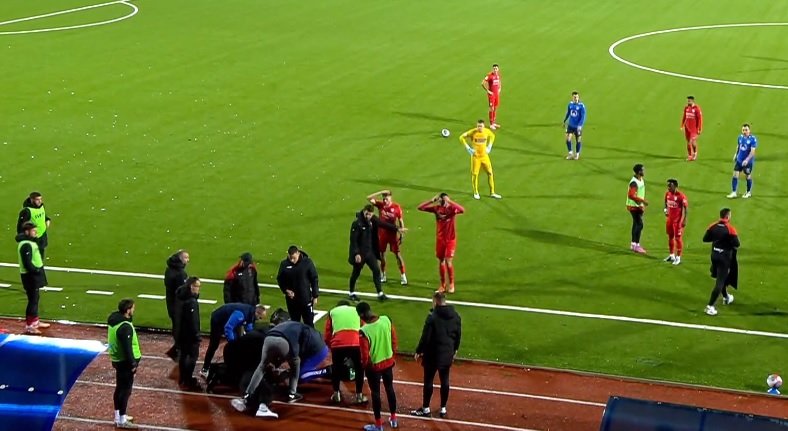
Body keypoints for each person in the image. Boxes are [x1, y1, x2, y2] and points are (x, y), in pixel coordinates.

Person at [232, 320, 329, 417]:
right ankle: (292, 394)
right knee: (296, 368)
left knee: (261, 367)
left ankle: (246, 396)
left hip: (269, 339)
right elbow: (295, 348)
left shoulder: (283, 326)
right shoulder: (303, 330)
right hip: (288, 342)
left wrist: (278, 363)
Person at [411, 291, 462, 419]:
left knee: (428, 380)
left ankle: (426, 408)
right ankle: (443, 408)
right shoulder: (456, 316)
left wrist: (418, 351)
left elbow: (425, 337)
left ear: (435, 302)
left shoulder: (432, 317)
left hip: (432, 355)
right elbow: (458, 335)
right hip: (447, 353)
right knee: (445, 380)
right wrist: (455, 349)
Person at [357, 302, 398, 431]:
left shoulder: (364, 331)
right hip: (388, 363)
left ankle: (379, 425)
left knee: (375, 393)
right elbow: (394, 341)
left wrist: (364, 367)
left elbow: (364, 355)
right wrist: (392, 356)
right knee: (390, 389)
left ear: (362, 314)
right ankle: (394, 419)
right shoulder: (386, 320)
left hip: (374, 367)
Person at [200, 303, 267, 377]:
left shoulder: (251, 313)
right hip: (218, 320)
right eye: (260, 317)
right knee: (214, 345)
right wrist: (232, 344)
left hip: (228, 321)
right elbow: (228, 328)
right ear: (257, 313)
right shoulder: (240, 314)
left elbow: (249, 328)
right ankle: (205, 369)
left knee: (237, 340)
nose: (259, 319)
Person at [417, 193, 465, 293]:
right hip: (440, 239)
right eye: (440, 200)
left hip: (450, 239)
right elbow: (420, 208)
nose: (440, 201)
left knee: (448, 261)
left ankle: (451, 284)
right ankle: (442, 285)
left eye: (442, 200)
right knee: (441, 260)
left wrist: (450, 201)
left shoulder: (452, 209)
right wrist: (431, 201)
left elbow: (462, 210)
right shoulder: (436, 209)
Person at [324, 300, 367, 404]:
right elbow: (364, 328)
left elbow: (327, 333)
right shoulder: (356, 311)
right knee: (359, 368)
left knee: (336, 368)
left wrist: (331, 346)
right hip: (355, 342)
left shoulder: (332, 312)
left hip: (338, 343)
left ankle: (336, 394)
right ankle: (359, 396)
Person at [107, 299, 141, 429]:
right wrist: (133, 364)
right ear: (127, 310)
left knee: (119, 388)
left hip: (117, 360)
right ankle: (122, 420)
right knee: (125, 391)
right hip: (125, 363)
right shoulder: (125, 327)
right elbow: (127, 348)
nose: (134, 310)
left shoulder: (114, 321)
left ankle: (118, 416)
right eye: (133, 308)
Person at [702, 208, 740, 316]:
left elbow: (705, 239)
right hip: (724, 258)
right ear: (727, 216)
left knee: (720, 278)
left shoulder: (713, 226)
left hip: (714, 255)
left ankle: (726, 297)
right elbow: (737, 244)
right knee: (720, 282)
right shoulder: (730, 229)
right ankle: (710, 306)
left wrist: (716, 239)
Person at [367, 190, 408, 285]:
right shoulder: (380, 205)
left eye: (386, 199)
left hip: (392, 234)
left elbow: (400, 220)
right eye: (384, 199)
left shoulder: (396, 207)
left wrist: (401, 234)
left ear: (390, 198)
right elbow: (369, 198)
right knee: (382, 255)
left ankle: (403, 275)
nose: (385, 201)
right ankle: (383, 275)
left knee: (397, 255)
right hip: (382, 234)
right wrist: (380, 192)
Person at [16, 222, 49, 335]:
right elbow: (27, 263)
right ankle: (30, 326)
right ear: (27, 232)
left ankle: (35, 322)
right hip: (30, 276)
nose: (36, 232)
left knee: (35, 298)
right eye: (33, 231)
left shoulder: (29, 242)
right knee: (33, 300)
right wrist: (36, 270)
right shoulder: (26, 245)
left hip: (33, 275)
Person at [349, 205, 387, 301]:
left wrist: (396, 228)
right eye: (367, 214)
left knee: (376, 270)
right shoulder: (357, 224)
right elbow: (353, 240)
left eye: (370, 215)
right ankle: (351, 292)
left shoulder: (372, 221)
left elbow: (383, 224)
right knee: (356, 273)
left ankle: (380, 292)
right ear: (364, 211)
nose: (368, 216)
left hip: (369, 253)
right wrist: (356, 253)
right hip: (360, 254)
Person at [459, 119, 501, 200]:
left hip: (485, 156)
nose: (479, 128)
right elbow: (461, 137)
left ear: (484, 126)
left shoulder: (487, 131)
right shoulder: (472, 132)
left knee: (490, 173)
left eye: (481, 126)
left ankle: (492, 192)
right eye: (478, 126)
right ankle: (476, 192)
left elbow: (492, 136)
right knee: (475, 174)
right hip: (476, 157)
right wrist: (468, 148)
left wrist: (489, 146)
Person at [277, 246, 319, 326]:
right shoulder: (284, 264)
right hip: (291, 301)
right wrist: (286, 290)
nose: (292, 260)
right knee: (294, 324)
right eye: (290, 258)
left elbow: (314, 278)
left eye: (294, 258)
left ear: (298, 253)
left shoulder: (307, 263)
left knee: (309, 323)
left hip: (305, 299)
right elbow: (280, 280)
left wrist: (315, 295)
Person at [175, 277, 202, 391]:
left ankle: (182, 379)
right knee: (192, 357)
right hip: (189, 335)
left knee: (183, 355)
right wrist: (197, 335)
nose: (198, 289)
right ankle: (187, 380)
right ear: (191, 286)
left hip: (181, 333)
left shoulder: (180, 297)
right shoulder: (191, 302)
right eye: (197, 286)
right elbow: (193, 321)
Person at [164, 250, 189, 360]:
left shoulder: (169, 269)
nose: (188, 260)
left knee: (176, 326)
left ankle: (177, 349)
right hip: (178, 305)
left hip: (171, 304)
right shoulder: (180, 273)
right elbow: (182, 291)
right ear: (180, 259)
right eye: (186, 258)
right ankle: (178, 350)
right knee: (181, 328)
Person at [16, 192, 52, 260]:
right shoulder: (27, 211)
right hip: (33, 238)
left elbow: (43, 215)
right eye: (37, 199)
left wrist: (47, 219)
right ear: (32, 200)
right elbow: (20, 226)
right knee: (32, 258)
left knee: (40, 256)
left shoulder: (41, 206)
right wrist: (22, 238)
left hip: (42, 235)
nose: (40, 201)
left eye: (41, 199)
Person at [727, 123, 757, 199]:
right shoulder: (740, 137)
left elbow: (752, 152)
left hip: (748, 162)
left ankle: (748, 192)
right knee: (735, 175)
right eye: (743, 130)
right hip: (739, 160)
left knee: (748, 176)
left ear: (749, 130)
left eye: (746, 130)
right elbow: (738, 146)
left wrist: (747, 160)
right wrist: (736, 154)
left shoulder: (752, 139)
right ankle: (734, 192)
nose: (744, 131)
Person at [663, 179, 688, 265]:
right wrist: (665, 209)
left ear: (675, 186)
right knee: (670, 237)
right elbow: (665, 202)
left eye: (670, 186)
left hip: (677, 221)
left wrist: (684, 219)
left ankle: (678, 257)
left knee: (678, 239)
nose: (668, 188)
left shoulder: (681, 196)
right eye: (668, 186)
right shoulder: (667, 194)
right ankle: (671, 255)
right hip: (669, 220)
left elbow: (686, 208)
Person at [626, 164, 648, 254]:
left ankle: (633, 244)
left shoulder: (640, 179)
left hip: (637, 205)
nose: (644, 171)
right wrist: (642, 201)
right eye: (643, 170)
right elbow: (631, 195)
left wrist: (641, 203)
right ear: (639, 172)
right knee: (640, 224)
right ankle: (636, 246)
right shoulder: (634, 183)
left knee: (636, 224)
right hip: (634, 206)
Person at [563, 91, 587, 160]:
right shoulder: (570, 104)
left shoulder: (581, 106)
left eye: (577, 97)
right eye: (574, 97)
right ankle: (570, 153)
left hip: (577, 127)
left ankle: (577, 154)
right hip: (570, 125)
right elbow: (568, 113)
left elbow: (583, 117)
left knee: (578, 140)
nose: (576, 98)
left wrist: (580, 125)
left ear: (578, 97)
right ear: (572, 97)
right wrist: (564, 120)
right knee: (568, 139)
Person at [680, 96, 703, 161]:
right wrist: (682, 125)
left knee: (691, 142)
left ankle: (692, 154)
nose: (688, 102)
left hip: (694, 129)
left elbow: (699, 119)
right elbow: (684, 117)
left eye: (689, 101)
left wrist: (699, 128)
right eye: (688, 101)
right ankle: (692, 154)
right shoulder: (686, 108)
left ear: (692, 101)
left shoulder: (697, 109)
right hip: (687, 128)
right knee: (689, 142)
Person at [481, 64, 501, 129]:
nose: (495, 70)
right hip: (491, 95)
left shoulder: (498, 75)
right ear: (492, 69)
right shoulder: (489, 76)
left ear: (498, 69)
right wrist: (488, 91)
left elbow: (499, 82)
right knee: (491, 108)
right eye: (494, 68)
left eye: (496, 68)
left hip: (496, 94)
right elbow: (482, 83)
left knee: (495, 108)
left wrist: (499, 88)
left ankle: (494, 123)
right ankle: (491, 124)